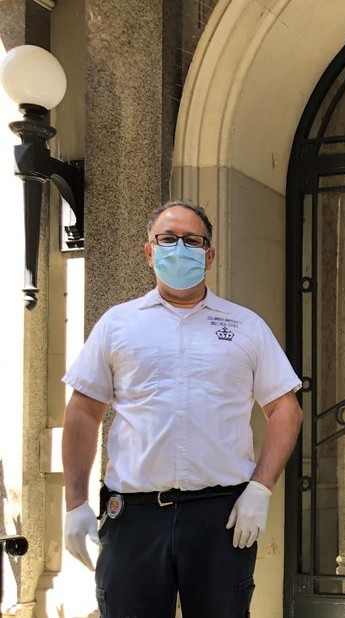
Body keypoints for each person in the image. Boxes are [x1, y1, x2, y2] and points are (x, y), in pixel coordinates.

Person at [61, 199, 303, 617]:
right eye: (167, 239)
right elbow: (83, 411)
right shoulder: (118, 324)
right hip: (134, 517)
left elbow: (286, 410)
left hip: (220, 517)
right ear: (149, 250)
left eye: (191, 241)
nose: (179, 248)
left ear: (209, 255)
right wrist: (75, 502)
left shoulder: (246, 326)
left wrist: (260, 488)